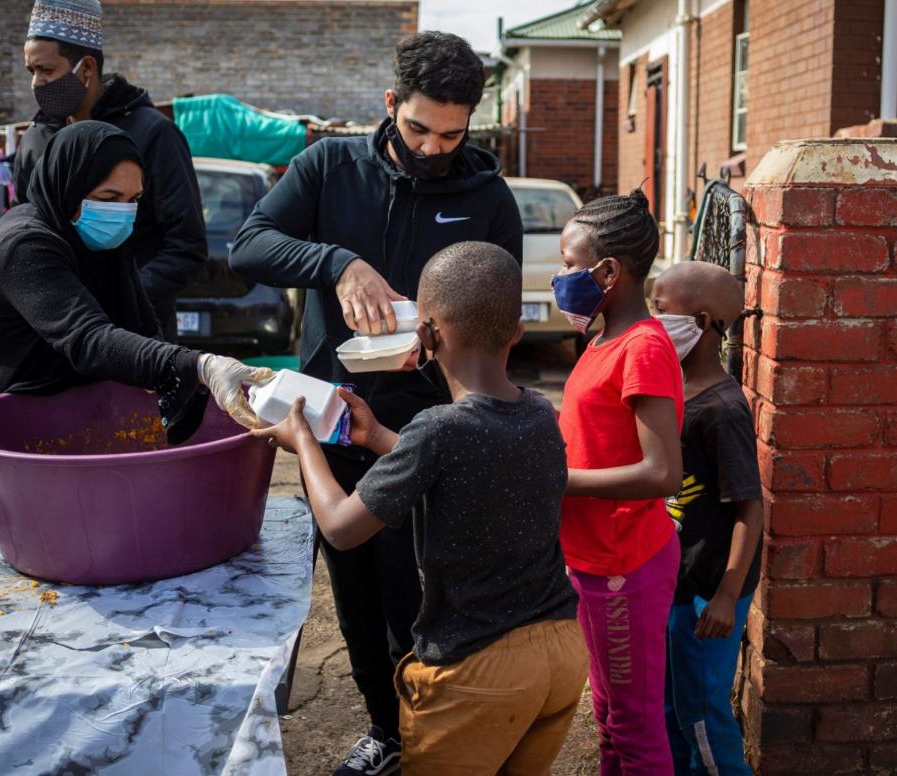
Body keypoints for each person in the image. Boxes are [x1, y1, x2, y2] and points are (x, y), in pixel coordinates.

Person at [230, 31, 523, 774]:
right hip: (334, 416)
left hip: (434, 424)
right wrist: (337, 263)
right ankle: (384, 732)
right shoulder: (331, 167)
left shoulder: (486, 196)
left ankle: (440, 731)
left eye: (453, 135)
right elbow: (248, 245)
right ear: (391, 104)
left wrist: (451, 345)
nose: (433, 149)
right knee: (356, 588)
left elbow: (499, 308)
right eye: (419, 127)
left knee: (425, 592)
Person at [253, 242, 586, 775]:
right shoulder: (540, 411)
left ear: (426, 335)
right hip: (562, 652)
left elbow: (340, 529)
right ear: (517, 331)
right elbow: (467, 461)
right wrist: (381, 436)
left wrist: (305, 441)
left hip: (478, 669)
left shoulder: (437, 428)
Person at [0, 122, 269, 499]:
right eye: (109, 196)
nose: (122, 213)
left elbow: (139, 334)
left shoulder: (97, 243)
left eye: (133, 200)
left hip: (45, 429)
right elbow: (89, 338)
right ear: (69, 184)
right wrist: (198, 365)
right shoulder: (25, 244)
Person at [553, 191, 684, 774]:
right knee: (608, 715)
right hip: (595, 559)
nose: (559, 277)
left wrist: (557, 481)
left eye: (567, 263)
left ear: (608, 271)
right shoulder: (602, 339)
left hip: (623, 565)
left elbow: (662, 473)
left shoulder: (643, 348)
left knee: (633, 726)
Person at [13, 0, 205, 342]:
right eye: (32, 72)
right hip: (56, 333)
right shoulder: (35, 140)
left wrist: (122, 299)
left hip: (138, 335)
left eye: (46, 70)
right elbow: (22, 232)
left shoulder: (153, 134)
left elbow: (186, 246)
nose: (36, 83)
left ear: (86, 69)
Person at [653, 261, 763, 776]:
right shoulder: (674, 390)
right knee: (674, 707)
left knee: (702, 715)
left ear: (698, 322)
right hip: (678, 582)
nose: (652, 322)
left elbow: (750, 507)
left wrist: (725, 593)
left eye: (660, 310)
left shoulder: (722, 408)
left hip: (709, 594)